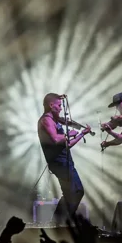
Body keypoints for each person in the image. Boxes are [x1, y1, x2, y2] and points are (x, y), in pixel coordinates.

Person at [37, 93, 92, 223]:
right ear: (51, 105)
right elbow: (56, 139)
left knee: (70, 193)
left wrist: (80, 134)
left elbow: (67, 144)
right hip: (58, 162)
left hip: (65, 161)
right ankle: (62, 220)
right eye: (59, 105)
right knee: (77, 191)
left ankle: (58, 222)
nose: (61, 108)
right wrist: (68, 134)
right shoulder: (46, 120)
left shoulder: (55, 121)